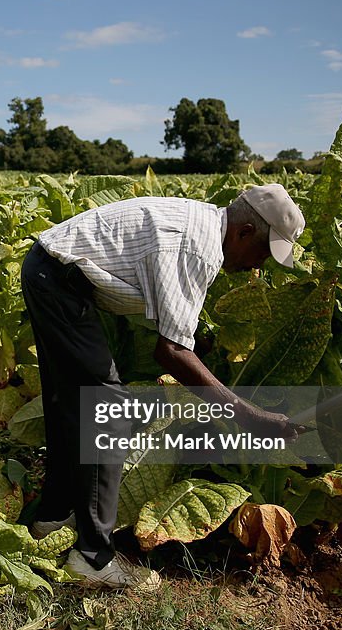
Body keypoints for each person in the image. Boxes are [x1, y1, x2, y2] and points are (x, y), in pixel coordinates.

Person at [21, 183, 306, 589]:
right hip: (58, 281)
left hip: (50, 271)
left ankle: (51, 519)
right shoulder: (196, 248)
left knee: (73, 402)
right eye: (262, 251)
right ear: (243, 231)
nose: (258, 265)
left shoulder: (203, 226)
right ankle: (92, 558)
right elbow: (170, 352)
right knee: (109, 411)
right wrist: (248, 416)